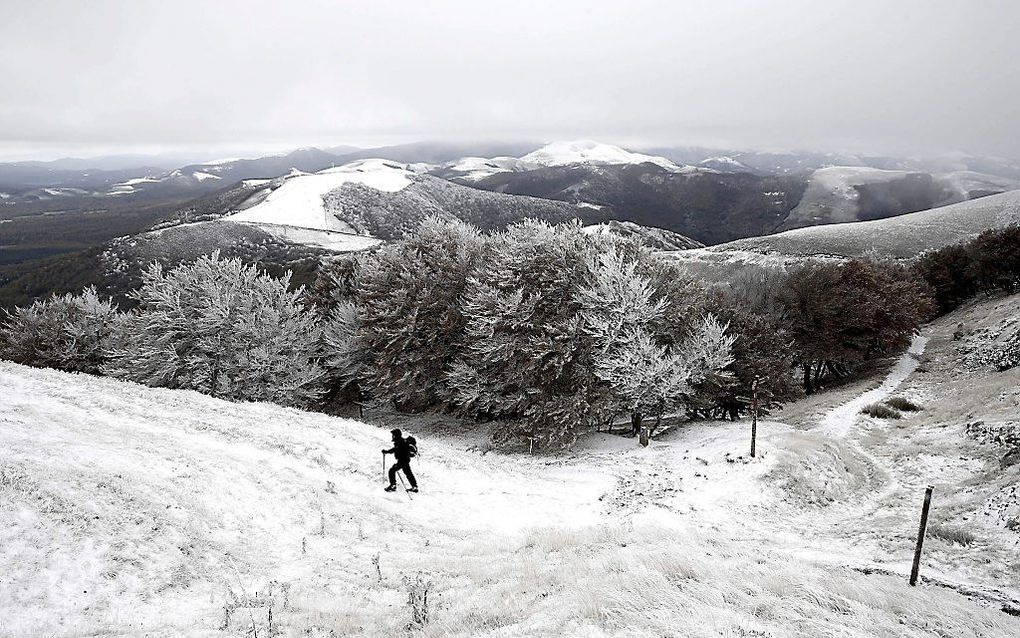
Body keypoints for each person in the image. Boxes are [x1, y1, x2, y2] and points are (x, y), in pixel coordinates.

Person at [382, 428, 418, 493]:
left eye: (393, 435)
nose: (392, 436)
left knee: (392, 470)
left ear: (396, 435)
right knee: (408, 473)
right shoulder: (402, 441)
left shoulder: (399, 442)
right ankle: (414, 487)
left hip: (402, 460)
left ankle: (393, 486)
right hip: (406, 460)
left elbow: (395, 450)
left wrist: (386, 451)